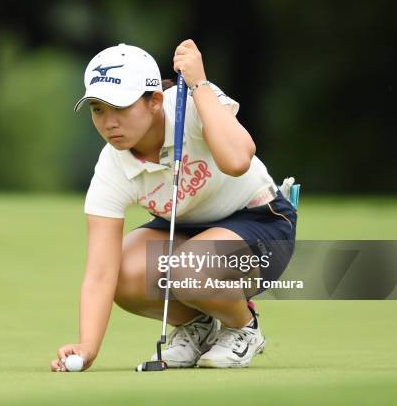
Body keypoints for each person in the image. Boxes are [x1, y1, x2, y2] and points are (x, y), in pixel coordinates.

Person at [50, 40, 297, 372]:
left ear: (154, 101)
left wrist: (199, 85)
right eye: (98, 109)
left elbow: (239, 159)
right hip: (187, 235)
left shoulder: (194, 104)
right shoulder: (112, 166)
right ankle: (199, 326)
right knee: (124, 272)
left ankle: (243, 327)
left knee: (189, 268)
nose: (109, 123)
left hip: (261, 222)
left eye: (120, 108)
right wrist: (88, 345)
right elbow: (100, 272)